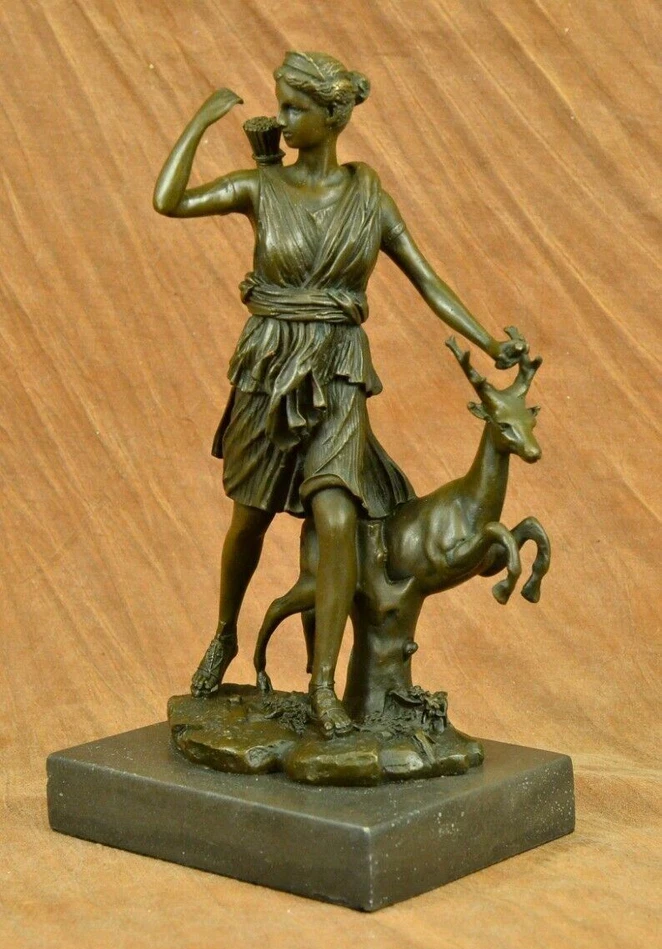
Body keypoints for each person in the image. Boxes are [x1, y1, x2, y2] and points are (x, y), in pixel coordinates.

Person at [153, 51, 526, 737]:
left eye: (295, 108)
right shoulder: (263, 187)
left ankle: (323, 686)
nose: (283, 119)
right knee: (249, 520)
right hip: (269, 367)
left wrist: (485, 339)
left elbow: (427, 280)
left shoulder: (369, 199)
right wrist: (202, 121)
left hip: (339, 370)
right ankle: (225, 633)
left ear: (333, 116)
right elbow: (169, 200)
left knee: (336, 520)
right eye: (281, 105)